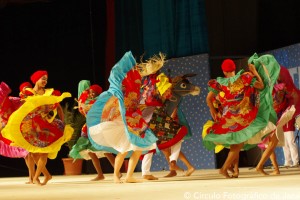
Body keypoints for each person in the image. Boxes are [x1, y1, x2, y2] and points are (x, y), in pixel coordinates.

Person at [86, 51, 165, 183]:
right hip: (124, 119)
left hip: (135, 118)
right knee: (123, 149)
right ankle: (116, 175)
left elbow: (138, 97)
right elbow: (116, 78)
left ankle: (129, 176)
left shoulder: (137, 83)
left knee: (139, 148)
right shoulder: (121, 86)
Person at [203, 54, 280, 178]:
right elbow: (261, 86)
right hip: (241, 117)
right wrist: (255, 71)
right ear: (234, 68)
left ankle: (228, 169)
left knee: (236, 143)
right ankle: (224, 168)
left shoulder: (220, 83)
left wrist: (213, 110)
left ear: (223, 71)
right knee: (238, 143)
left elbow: (208, 99)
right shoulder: (244, 77)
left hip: (227, 118)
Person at [2, 70, 73, 185]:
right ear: (36, 80)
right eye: (42, 78)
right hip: (33, 126)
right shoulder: (28, 93)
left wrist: (62, 121)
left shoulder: (50, 93)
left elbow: (58, 108)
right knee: (33, 153)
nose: (45, 81)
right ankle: (46, 175)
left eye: (46, 79)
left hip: (48, 125)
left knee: (44, 152)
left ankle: (35, 178)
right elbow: (23, 108)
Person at [69, 80, 118, 181]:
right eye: (90, 92)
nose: (91, 94)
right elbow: (82, 109)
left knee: (105, 150)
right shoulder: (86, 101)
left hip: (97, 127)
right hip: (88, 128)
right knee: (90, 151)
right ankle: (100, 174)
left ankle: (117, 172)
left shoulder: (98, 101)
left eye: (93, 92)